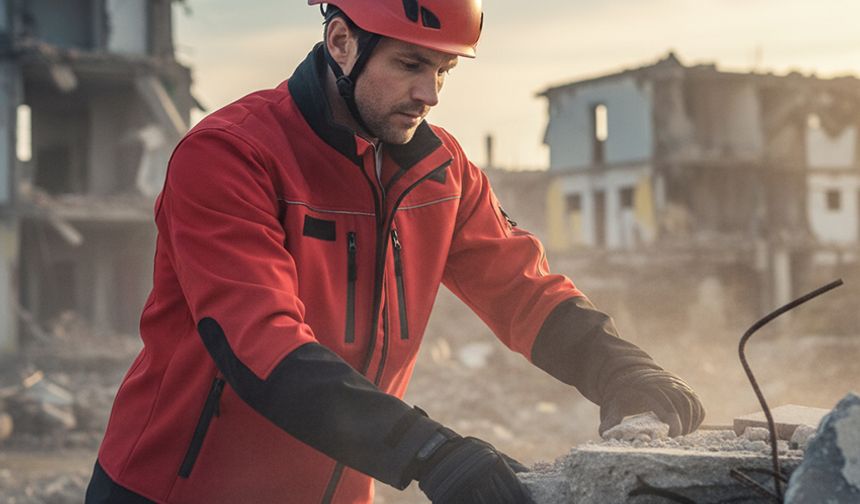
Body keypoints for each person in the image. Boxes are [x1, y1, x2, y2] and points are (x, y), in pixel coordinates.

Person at [86, 1, 705, 503]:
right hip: (175, 491)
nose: (429, 93)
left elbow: (522, 289)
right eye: (410, 64)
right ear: (340, 43)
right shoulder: (230, 156)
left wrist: (619, 367)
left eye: (442, 71)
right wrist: (427, 449)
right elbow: (262, 346)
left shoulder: (442, 170)